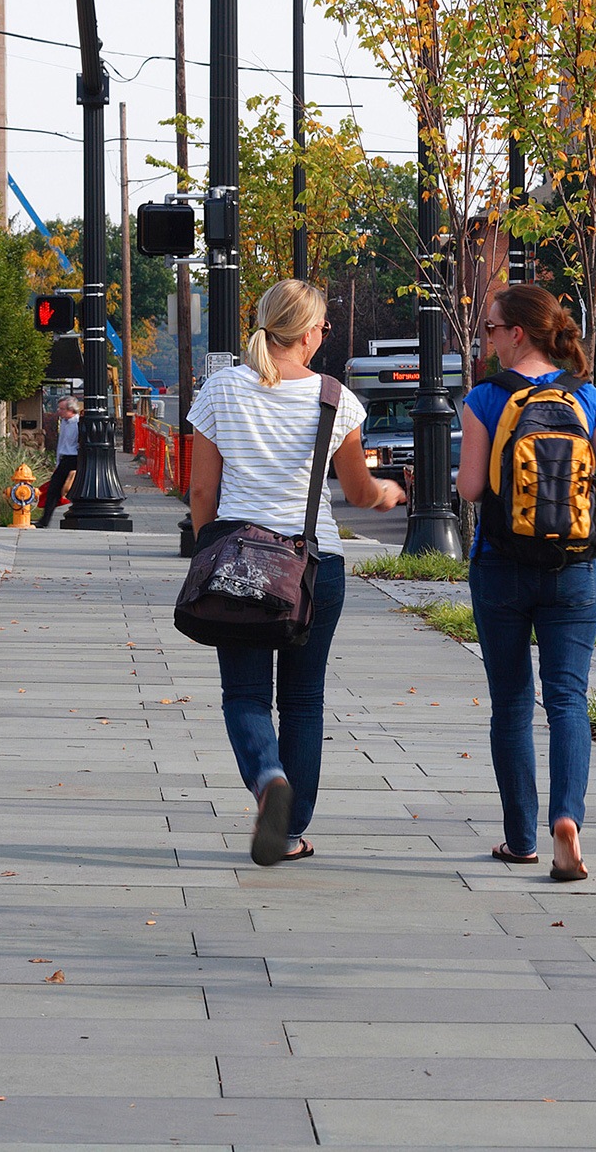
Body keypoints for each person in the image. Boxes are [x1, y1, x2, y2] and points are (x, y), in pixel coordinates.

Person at [188, 279, 406, 864]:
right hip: (313, 567)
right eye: (324, 328)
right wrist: (385, 493)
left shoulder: (221, 389)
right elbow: (358, 492)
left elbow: (203, 489)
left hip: (238, 562)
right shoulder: (335, 399)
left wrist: (210, 553)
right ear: (309, 333)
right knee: (304, 698)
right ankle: (288, 828)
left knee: (245, 694)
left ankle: (267, 781)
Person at [456, 283, 596, 883]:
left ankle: (518, 839)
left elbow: (472, 489)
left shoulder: (485, 398)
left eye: (489, 328)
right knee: (567, 700)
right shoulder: (586, 397)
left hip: (500, 568)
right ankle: (568, 821)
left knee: (510, 702)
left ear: (517, 333)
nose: (486, 338)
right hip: (574, 572)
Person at [36, 397, 81, 529]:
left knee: (68, 490)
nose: (59, 411)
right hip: (64, 459)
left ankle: (46, 520)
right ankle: (44, 520)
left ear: (71, 410)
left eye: (62, 409)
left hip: (74, 459)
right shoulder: (64, 423)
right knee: (53, 490)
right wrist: (57, 461)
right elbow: (61, 444)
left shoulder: (78, 423)